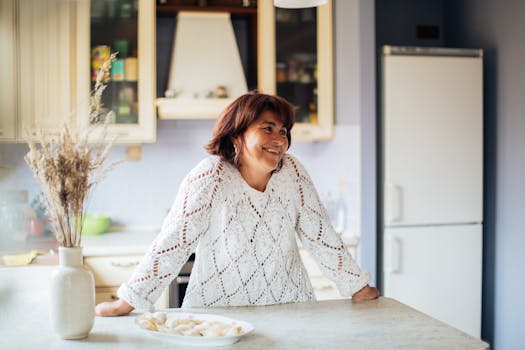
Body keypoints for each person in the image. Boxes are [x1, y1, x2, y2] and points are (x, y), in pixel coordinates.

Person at [96, 92, 378, 316]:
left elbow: (321, 236)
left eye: (283, 131)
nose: (279, 140)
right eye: (268, 129)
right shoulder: (211, 176)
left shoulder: (292, 173)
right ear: (236, 136)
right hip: (217, 319)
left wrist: (357, 287)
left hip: (292, 310)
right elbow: (172, 243)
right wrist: (128, 300)